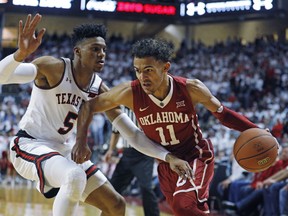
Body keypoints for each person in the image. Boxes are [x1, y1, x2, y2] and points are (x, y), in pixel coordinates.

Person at [0, 14, 192, 216]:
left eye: (104, 50)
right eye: (95, 49)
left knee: (116, 205)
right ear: (77, 52)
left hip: (61, 149)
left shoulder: (99, 89)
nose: (102, 54)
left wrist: (167, 156)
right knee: (74, 176)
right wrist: (20, 54)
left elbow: (132, 134)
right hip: (28, 144)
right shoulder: (53, 68)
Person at [75, 38, 261, 215]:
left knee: (183, 205)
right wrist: (81, 141)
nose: (142, 76)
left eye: (148, 70)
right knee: (186, 211)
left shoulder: (190, 88)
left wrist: (255, 129)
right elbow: (88, 106)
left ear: (165, 68)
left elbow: (224, 114)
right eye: (137, 70)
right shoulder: (130, 92)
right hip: (165, 163)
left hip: (195, 156)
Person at [104, 106, 160, 216]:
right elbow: (116, 132)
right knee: (113, 187)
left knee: (146, 188)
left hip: (144, 154)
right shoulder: (120, 109)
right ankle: (107, 213)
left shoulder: (146, 107)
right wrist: (111, 150)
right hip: (127, 154)